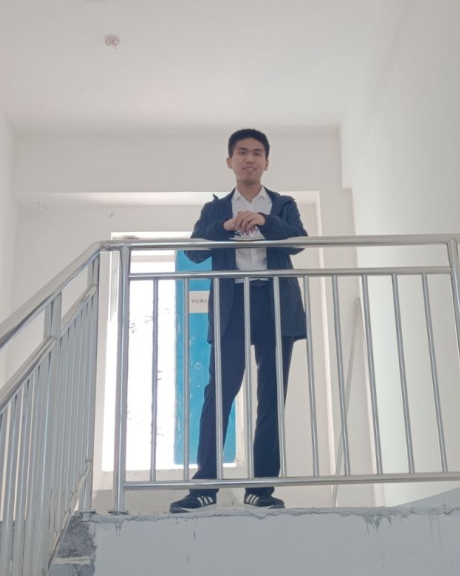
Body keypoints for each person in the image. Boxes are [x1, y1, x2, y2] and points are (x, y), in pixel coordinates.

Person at [170, 129, 308, 513]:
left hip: (275, 303)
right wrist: (226, 228)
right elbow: (195, 253)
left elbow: (299, 241)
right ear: (230, 161)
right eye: (242, 152)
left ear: (266, 162)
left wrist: (264, 220)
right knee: (219, 392)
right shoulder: (214, 210)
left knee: (271, 395)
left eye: (257, 153)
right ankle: (205, 487)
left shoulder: (283, 204)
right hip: (232, 304)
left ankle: (261, 489)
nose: (250, 159)